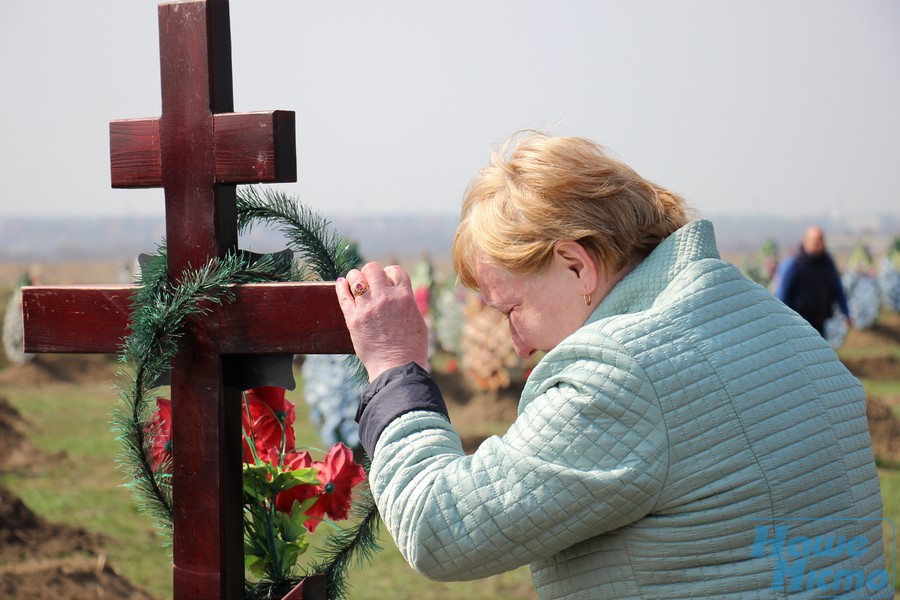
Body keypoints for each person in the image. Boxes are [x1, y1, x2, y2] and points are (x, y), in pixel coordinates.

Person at [334, 132, 889, 599]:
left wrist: (393, 367)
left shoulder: (622, 371)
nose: (518, 343)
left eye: (513, 309)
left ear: (577, 266)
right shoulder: (774, 322)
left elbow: (440, 527)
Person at [773, 225, 851, 336]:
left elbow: (837, 287)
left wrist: (846, 312)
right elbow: (782, 295)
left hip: (820, 321)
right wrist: (784, 322)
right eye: (816, 241)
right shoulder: (793, 263)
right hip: (798, 325)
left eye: (821, 241)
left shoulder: (826, 263)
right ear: (805, 241)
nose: (819, 245)